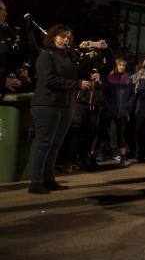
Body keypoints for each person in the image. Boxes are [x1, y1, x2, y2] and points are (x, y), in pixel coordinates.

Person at [28, 24, 98, 194]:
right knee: (44, 143)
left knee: (56, 144)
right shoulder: (46, 55)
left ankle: (49, 178)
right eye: (62, 36)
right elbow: (49, 79)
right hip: (46, 104)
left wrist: (92, 60)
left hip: (65, 105)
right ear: (53, 37)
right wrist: (76, 84)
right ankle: (35, 182)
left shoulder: (66, 56)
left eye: (68, 37)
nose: (65, 40)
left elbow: (77, 72)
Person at [99, 57, 135, 167]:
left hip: (122, 112)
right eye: (120, 65)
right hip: (109, 111)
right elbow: (104, 95)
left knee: (121, 134)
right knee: (105, 133)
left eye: (124, 66)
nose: (122, 67)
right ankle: (100, 153)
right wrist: (108, 106)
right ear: (116, 66)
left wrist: (128, 106)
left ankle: (123, 157)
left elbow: (132, 95)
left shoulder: (128, 79)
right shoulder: (110, 78)